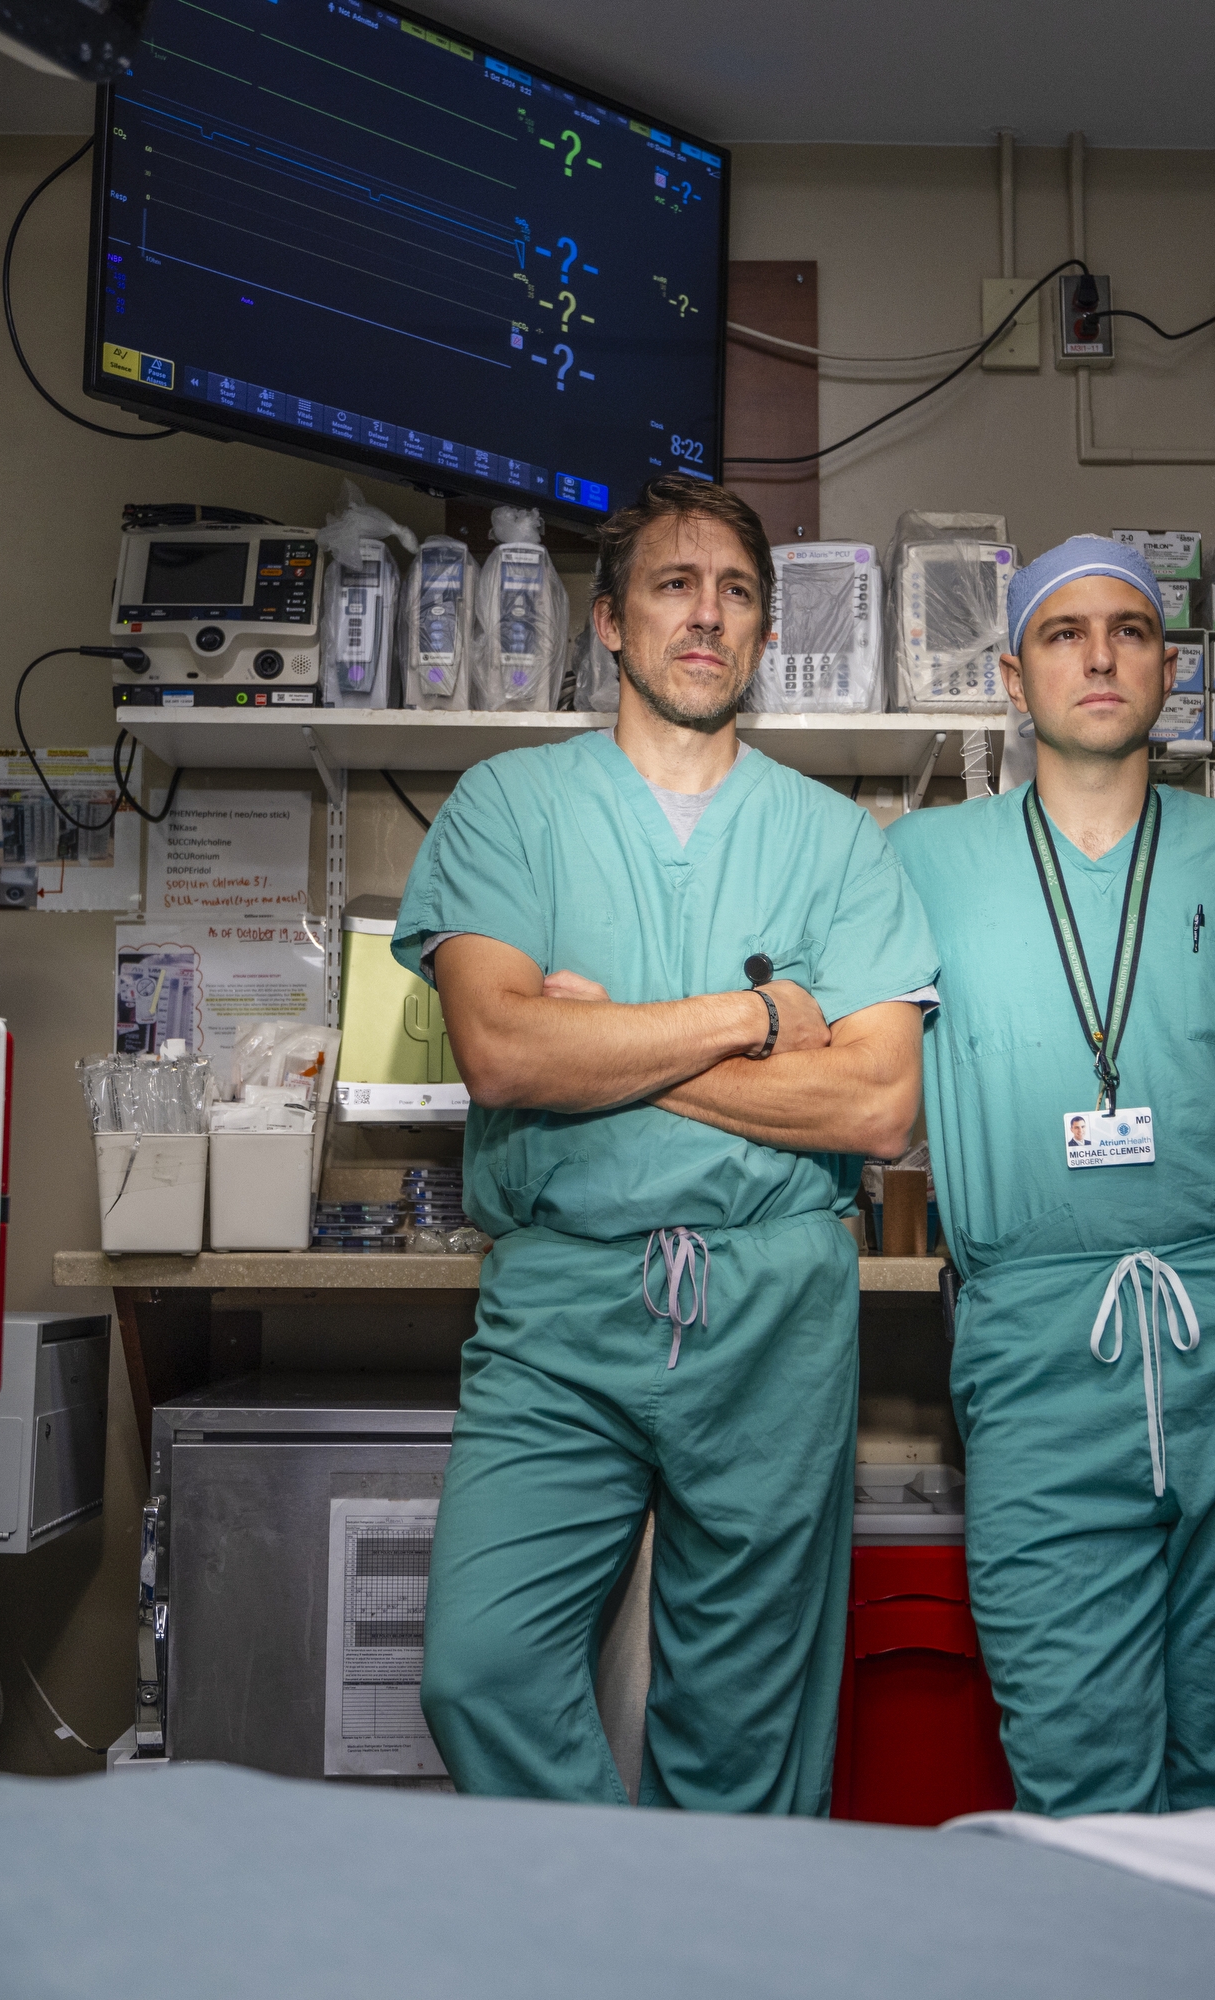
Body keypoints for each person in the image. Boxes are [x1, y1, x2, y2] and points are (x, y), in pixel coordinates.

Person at [392, 475, 938, 1812]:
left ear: (760, 633)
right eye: (674, 586)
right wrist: (754, 1021)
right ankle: (624, 1915)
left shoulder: (838, 841)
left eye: (736, 591)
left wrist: (614, 1052)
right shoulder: (506, 806)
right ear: (610, 625)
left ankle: (710, 1948)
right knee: (480, 1666)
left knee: (744, 1724)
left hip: (770, 1309)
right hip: (560, 1305)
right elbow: (504, 1052)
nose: (707, 614)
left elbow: (875, 1108)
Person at [886, 535, 1215, 1817]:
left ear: (1168, 670)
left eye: (1128, 630)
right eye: (1065, 632)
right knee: (1072, 1742)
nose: (1098, 653)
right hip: (1034, 1335)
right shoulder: (925, 860)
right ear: (1013, 679)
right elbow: (821, 1027)